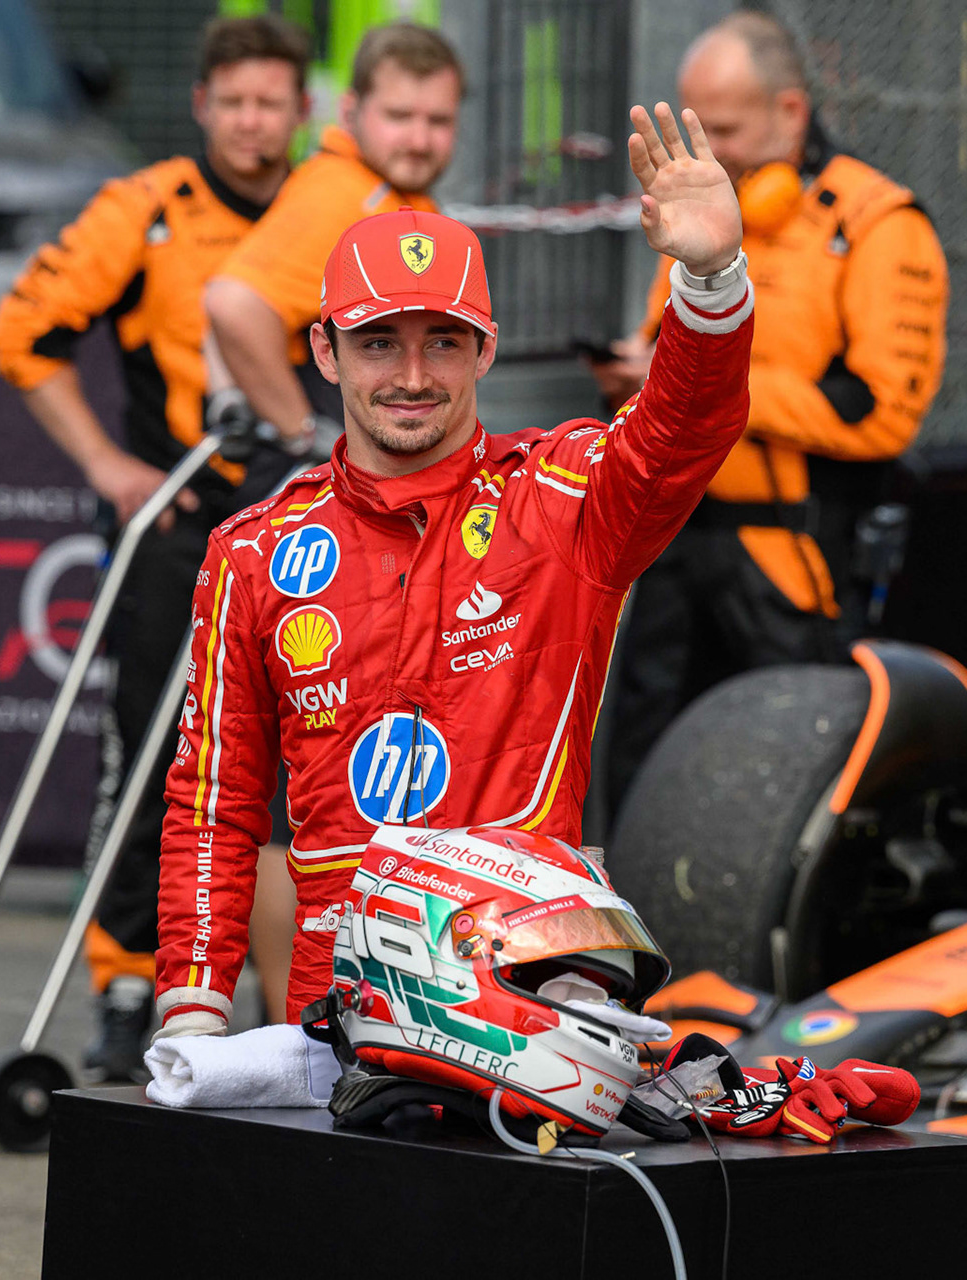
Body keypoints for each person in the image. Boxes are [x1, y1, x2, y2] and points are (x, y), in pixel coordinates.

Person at [154, 104, 756, 1039]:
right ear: (324, 352)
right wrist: (191, 1013)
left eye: (442, 340)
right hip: (332, 1006)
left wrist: (711, 282)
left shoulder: (561, 499)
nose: (412, 376)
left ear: (486, 349)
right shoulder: (254, 550)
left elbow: (683, 432)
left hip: (523, 995)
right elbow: (213, 805)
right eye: (378, 342)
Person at [0, 14, 311, 1080]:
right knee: (154, 758)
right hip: (175, 527)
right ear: (203, 105)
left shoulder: (327, 209)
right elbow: (21, 333)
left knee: (302, 765)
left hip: (308, 537)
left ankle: (296, 997)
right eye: (236, 102)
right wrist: (107, 466)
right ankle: (128, 984)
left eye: (272, 103)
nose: (253, 123)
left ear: (302, 111)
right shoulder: (147, 206)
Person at [590, 12, 949, 821]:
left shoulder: (879, 223)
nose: (707, 150)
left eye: (723, 129)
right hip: (675, 546)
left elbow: (882, 412)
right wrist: (635, 376)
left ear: (789, 112)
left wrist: (725, 382)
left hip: (792, 559)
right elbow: (659, 347)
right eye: (698, 128)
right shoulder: (706, 211)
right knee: (642, 774)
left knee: (790, 785)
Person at [205, 21, 463, 452]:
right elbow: (232, 304)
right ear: (350, 112)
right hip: (320, 469)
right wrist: (306, 438)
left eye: (438, 120)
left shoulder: (384, 193)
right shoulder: (344, 193)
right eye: (399, 116)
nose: (419, 140)